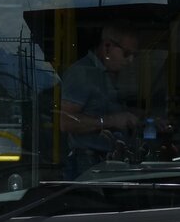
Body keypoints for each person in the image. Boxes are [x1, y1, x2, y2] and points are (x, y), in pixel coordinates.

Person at [59, 24, 140, 177]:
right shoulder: (82, 73)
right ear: (107, 47)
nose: (130, 61)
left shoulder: (107, 75)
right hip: (87, 164)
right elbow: (66, 122)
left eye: (135, 56)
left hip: (107, 161)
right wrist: (111, 121)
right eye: (127, 53)